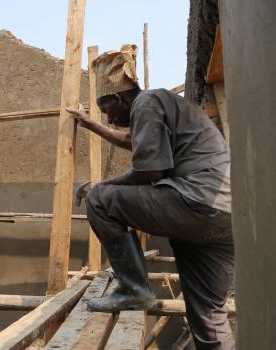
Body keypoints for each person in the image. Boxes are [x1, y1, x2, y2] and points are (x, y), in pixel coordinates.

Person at [67, 44, 234, 349]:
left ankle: (133, 288)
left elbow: (149, 172)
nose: (108, 118)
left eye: (105, 111)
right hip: (225, 220)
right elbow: (133, 140)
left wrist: (100, 188)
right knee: (209, 317)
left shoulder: (146, 101)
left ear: (118, 99)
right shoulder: (166, 106)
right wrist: (90, 124)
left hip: (195, 203)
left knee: (100, 198)